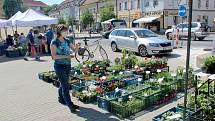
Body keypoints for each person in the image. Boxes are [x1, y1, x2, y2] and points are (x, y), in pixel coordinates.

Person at [50, 24, 80, 113]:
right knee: (65, 86)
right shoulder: (54, 42)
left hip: (67, 66)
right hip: (59, 67)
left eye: (66, 31)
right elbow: (54, 56)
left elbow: (74, 50)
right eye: (64, 31)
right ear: (59, 32)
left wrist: (77, 46)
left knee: (64, 83)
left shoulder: (67, 41)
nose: (66, 33)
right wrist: (66, 56)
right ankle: (70, 105)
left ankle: (61, 98)